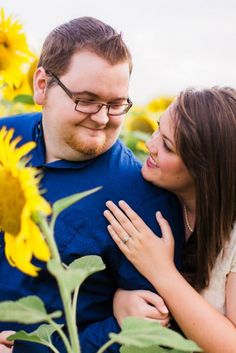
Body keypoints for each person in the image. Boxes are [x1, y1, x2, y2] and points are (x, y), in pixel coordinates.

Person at [0, 17, 184, 353]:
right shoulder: (5, 136)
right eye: (85, 99)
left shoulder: (140, 199)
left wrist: (30, 351)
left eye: (116, 105)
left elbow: (142, 330)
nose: (101, 118)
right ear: (41, 86)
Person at [104, 86, 236, 353]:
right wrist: (121, 302)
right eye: (157, 128)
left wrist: (162, 271)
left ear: (205, 170)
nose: (149, 145)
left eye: (167, 146)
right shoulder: (150, 199)